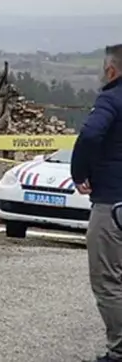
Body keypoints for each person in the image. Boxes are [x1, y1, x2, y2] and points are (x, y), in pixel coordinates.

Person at [71, 43, 122, 362]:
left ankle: (119, 349)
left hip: (112, 202)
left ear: (112, 70)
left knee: (108, 280)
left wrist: (80, 173)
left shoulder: (111, 97)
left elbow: (90, 135)